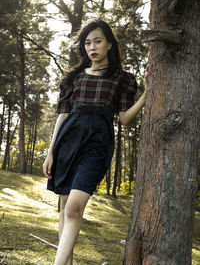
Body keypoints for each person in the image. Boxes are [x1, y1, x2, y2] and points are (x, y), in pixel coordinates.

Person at [43, 19, 148, 265]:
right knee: (65, 205)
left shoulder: (122, 78)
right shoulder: (74, 77)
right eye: (88, 42)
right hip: (68, 140)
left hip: (97, 144)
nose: (93, 47)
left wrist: (147, 94)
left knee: (73, 208)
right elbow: (63, 114)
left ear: (109, 44)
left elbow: (124, 119)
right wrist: (50, 152)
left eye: (98, 41)